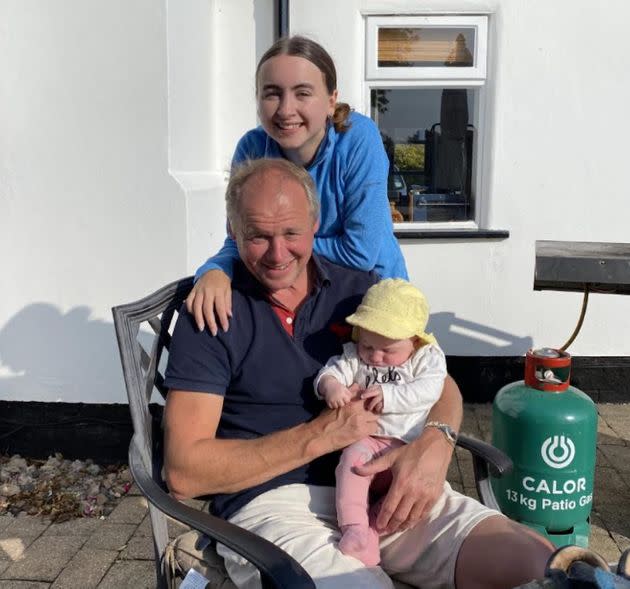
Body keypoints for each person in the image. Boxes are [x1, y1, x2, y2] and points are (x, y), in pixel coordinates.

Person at [163, 157, 554, 589]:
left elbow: (440, 383)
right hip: (272, 505)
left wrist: (436, 442)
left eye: (292, 233)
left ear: (315, 224)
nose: (278, 255)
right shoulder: (214, 312)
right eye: (258, 236)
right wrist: (321, 435)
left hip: (385, 485)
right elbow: (183, 472)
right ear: (233, 233)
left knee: (541, 563)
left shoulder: (361, 291)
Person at [185, 35, 407, 337]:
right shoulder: (251, 148)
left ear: (331, 100)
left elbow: (360, 253)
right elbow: (238, 237)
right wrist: (214, 270)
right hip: (298, 300)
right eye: (272, 94)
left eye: (303, 93)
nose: (286, 109)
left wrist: (273, 245)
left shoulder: (358, 139)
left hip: (374, 306)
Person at [315, 278, 447, 567]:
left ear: (414, 341)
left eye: (387, 351)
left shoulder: (426, 358)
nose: (375, 357)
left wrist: (390, 395)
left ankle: (373, 528)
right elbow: (332, 371)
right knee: (351, 464)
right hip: (370, 440)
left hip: (408, 445)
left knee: (410, 498)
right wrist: (332, 387)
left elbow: (430, 390)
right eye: (367, 345)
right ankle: (353, 527)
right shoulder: (356, 356)